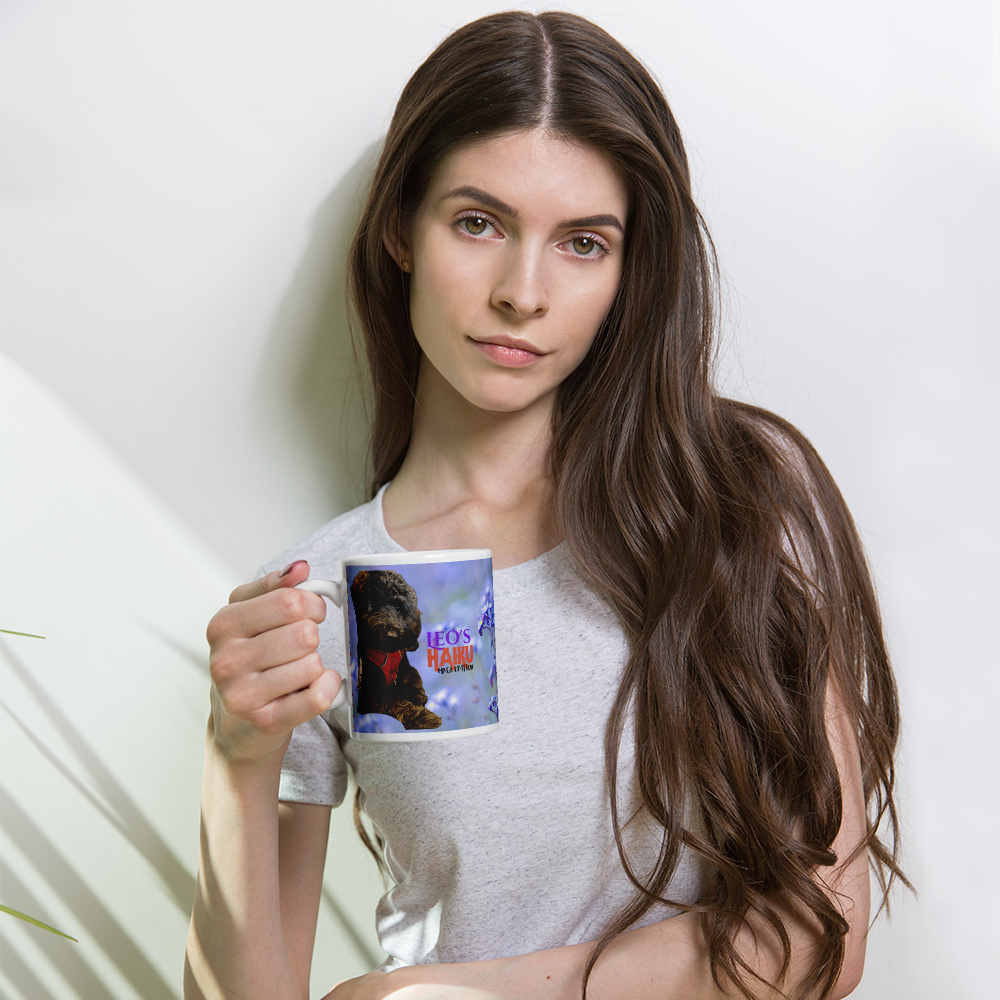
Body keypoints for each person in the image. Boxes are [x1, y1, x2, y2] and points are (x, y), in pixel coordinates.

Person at [184, 11, 906, 1000]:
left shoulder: (739, 495)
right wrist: (238, 759)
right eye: (477, 222)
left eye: (582, 242)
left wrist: (433, 995)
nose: (523, 292)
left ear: (628, 268)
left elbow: (815, 936)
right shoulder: (340, 598)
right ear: (399, 227)